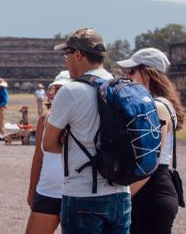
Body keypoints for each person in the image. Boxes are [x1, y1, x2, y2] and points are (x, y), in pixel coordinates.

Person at [42, 28, 131, 233]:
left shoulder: (71, 91)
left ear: (79, 54)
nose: (66, 60)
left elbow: (48, 144)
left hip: (83, 193)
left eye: (67, 54)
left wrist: (66, 139)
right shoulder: (122, 87)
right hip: (121, 192)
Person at [117, 48, 184, 234]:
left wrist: (124, 196)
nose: (127, 76)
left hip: (150, 188)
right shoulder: (154, 103)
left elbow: (151, 161)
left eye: (131, 71)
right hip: (148, 187)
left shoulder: (158, 106)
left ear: (146, 73)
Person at [25, 70, 71, 234]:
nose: (60, 93)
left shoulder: (83, 118)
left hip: (76, 193)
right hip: (47, 191)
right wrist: (32, 190)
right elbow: (38, 158)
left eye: (64, 89)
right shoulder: (45, 118)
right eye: (57, 88)